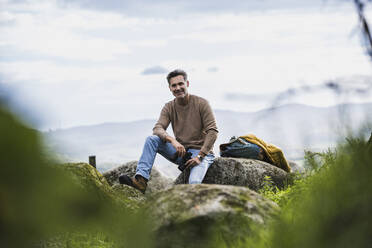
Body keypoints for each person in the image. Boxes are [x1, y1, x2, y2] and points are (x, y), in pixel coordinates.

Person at [119, 69, 218, 193]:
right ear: (170, 88)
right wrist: (172, 140)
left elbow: (213, 131)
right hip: (182, 153)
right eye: (174, 85)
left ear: (187, 84)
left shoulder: (202, 104)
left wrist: (200, 156)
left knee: (193, 184)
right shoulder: (169, 107)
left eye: (180, 84)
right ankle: (141, 180)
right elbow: (158, 128)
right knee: (152, 139)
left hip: (201, 153)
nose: (178, 88)